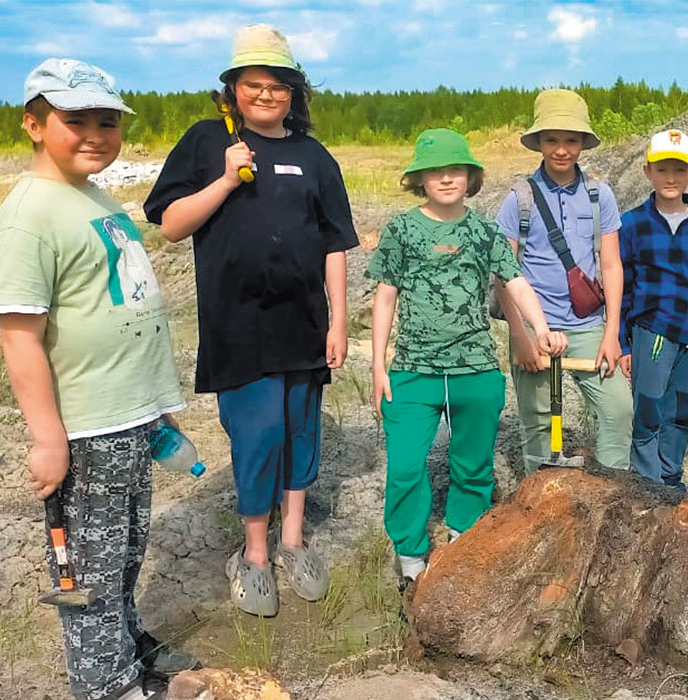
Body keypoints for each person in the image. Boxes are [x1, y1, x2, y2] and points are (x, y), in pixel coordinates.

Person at [0, 58, 196, 700]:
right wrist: (48, 438)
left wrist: (155, 410)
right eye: (74, 120)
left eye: (106, 121)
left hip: (128, 415)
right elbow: (20, 336)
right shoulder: (29, 215)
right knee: (90, 561)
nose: (95, 134)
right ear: (33, 124)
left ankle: (124, 647)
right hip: (85, 425)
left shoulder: (95, 198)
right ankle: (102, 682)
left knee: (128, 545)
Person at [144, 24, 359, 617]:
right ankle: (255, 554)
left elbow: (334, 245)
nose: (266, 96)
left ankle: (293, 542)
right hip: (237, 325)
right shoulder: (207, 141)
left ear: (295, 93)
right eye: (253, 85)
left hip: (304, 324)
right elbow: (171, 225)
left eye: (278, 87)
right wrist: (224, 177)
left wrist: (339, 321)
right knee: (259, 435)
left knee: (299, 433)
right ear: (233, 89)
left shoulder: (314, 157)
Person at [369, 129, 567, 587]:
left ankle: (463, 541)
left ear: (470, 177)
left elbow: (515, 282)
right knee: (404, 466)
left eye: (455, 170)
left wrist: (541, 329)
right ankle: (411, 556)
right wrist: (379, 365)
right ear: (419, 178)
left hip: (475, 367)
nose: (446, 178)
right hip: (413, 370)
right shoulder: (401, 230)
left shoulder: (483, 231)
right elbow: (385, 297)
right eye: (435, 171)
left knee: (472, 462)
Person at [494, 89, 632, 473]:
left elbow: (611, 265)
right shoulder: (518, 199)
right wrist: (520, 336)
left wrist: (612, 333)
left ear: (583, 143)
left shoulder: (599, 195)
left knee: (618, 409)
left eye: (571, 140)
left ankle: (611, 493)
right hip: (534, 328)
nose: (561, 150)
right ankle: (541, 502)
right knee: (538, 424)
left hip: (588, 325)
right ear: (538, 142)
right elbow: (502, 271)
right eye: (552, 139)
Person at [618, 129, 688, 488]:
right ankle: (647, 487)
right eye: (662, 169)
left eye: (679, 170)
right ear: (647, 171)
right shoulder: (632, 223)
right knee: (648, 408)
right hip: (652, 328)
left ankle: (671, 479)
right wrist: (624, 345)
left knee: (682, 411)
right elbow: (621, 287)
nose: (670, 178)